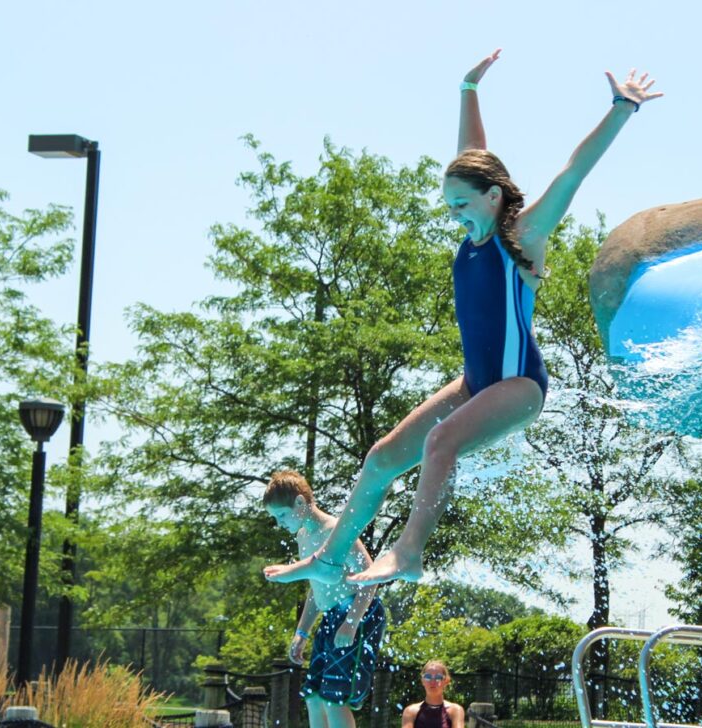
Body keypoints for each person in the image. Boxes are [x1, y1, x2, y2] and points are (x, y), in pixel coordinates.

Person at [264, 49, 662, 586]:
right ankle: (328, 557)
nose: (455, 214)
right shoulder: (474, 233)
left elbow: (573, 172)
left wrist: (621, 108)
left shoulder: (521, 237)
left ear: (493, 197)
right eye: (449, 205)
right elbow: (472, 154)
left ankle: (408, 552)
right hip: (476, 384)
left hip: (519, 386)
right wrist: (467, 89)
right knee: (382, 457)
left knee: (439, 443)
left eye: (461, 204)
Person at [263, 470, 386, 728]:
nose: (280, 523)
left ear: (299, 502)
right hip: (332, 616)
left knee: (334, 699)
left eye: (282, 515)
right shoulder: (303, 537)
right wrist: (302, 632)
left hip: (358, 612)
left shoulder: (335, 530)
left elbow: (370, 576)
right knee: (314, 696)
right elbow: (316, 588)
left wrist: (351, 622)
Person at [402, 660, 465, 728]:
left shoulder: (455, 711)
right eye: (428, 677)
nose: (433, 681)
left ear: (446, 681)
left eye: (438, 677)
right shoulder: (410, 712)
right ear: (422, 681)